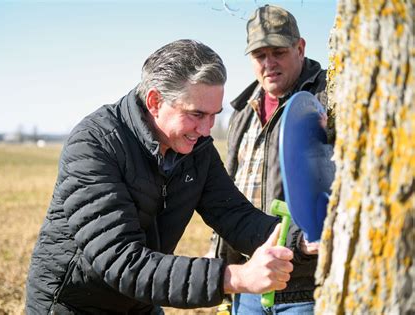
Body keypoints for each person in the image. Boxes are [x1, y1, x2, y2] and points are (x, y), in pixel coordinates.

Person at [24, 39, 321, 314]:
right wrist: (235, 277)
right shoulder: (94, 145)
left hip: (140, 301)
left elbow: (234, 215)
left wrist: (302, 240)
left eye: (214, 115)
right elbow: (122, 261)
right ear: (154, 101)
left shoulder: (196, 149)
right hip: (74, 304)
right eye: (196, 114)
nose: (207, 130)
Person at [208, 4, 329, 315]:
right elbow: (228, 193)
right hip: (249, 285)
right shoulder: (241, 112)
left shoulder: (327, 102)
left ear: (300, 48)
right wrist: (221, 269)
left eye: (278, 52)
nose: (268, 63)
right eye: (260, 55)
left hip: (306, 288)